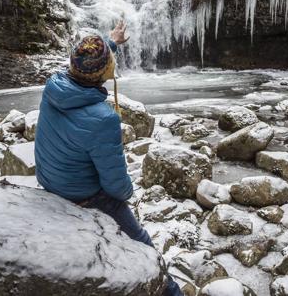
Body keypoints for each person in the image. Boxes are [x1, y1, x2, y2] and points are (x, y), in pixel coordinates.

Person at [34, 21, 182, 296]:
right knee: (145, 248)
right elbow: (116, 186)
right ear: (107, 72)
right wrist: (127, 193)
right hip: (83, 195)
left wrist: (111, 41)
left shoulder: (53, 85)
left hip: (49, 180)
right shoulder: (103, 119)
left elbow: (88, 61)